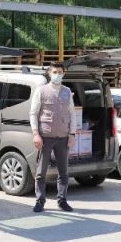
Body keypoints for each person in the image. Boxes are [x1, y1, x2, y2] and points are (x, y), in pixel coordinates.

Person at [30, 61, 76, 213]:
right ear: (49, 73)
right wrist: (36, 134)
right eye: (54, 72)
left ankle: (62, 201)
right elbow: (33, 113)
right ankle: (39, 201)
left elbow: (72, 114)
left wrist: (72, 134)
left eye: (60, 72)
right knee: (41, 172)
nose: (57, 75)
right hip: (45, 137)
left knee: (63, 172)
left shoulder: (67, 91)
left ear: (64, 73)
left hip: (63, 137)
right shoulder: (41, 91)